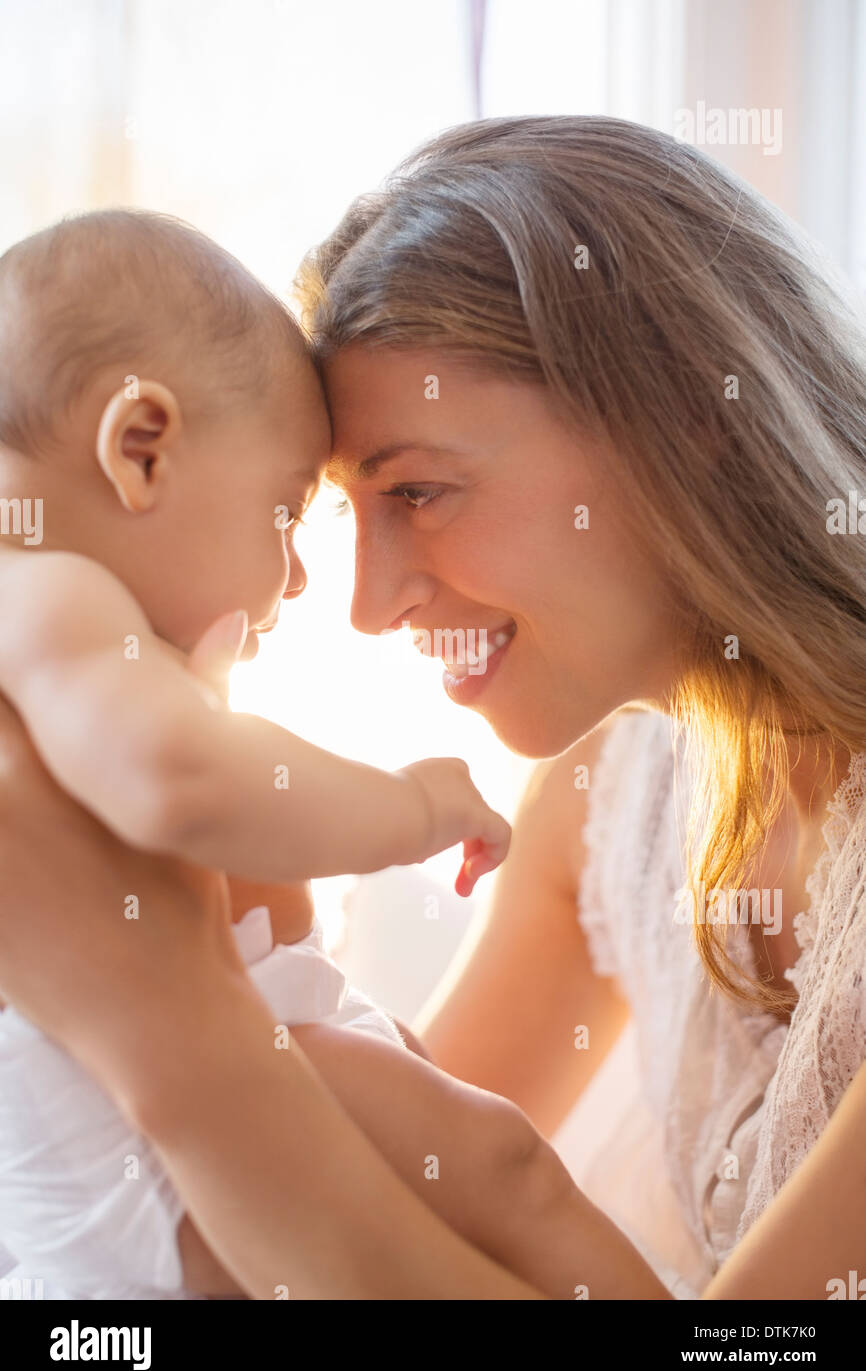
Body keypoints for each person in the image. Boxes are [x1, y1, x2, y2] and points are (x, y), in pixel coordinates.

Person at [3, 113, 866, 1299]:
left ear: (684, 419)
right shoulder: (613, 796)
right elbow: (409, 1176)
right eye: (342, 515)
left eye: (420, 488)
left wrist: (169, 1031)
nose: (363, 604)